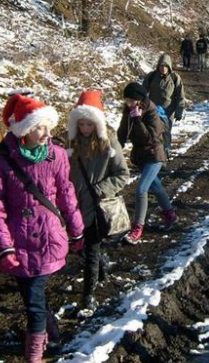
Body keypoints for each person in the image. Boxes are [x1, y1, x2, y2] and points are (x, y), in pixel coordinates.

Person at [0, 94, 84, 363]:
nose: (47, 133)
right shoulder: (2, 162)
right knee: (32, 294)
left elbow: (67, 194)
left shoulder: (57, 155)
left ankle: (35, 357)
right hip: (19, 241)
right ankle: (51, 331)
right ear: (23, 130)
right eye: (40, 127)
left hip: (47, 238)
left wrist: (77, 229)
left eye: (48, 127)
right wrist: (4, 246)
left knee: (33, 301)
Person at [68, 90, 130, 311]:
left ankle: (88, 294)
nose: (85, 129)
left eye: (89, 124)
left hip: (96, 206)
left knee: (91, 252)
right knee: (82, 249)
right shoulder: (71, 142)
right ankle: (102, 263)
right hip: (74, 207)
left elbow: (123, 174)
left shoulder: (109, 142)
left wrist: (99, 190)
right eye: (81, 124)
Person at [117, 82, 177, 244]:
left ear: (138, 99)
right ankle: (170, 215)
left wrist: (137, 120)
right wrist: (116, 147)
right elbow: (123, 130)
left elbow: (150, 138)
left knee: (141, 189)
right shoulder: (129, 109)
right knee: (156, 187)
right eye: (126, 101)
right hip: (141, 156)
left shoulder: (151, 111)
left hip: (154, 154)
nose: (128, 104)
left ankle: (137, 227)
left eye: (130, 101)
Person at [143, 53, 185, 148]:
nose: (163, 68)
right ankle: (155, 153)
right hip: (153, 111)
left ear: (169, 66)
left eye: (165, 66)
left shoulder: (175, 78)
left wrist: (179, 112)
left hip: (168, 112)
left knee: (166, 133)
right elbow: (142, 92)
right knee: (153, 132)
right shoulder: (151, 76)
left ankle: (165, 153)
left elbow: (180, 96)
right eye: (161, 65)